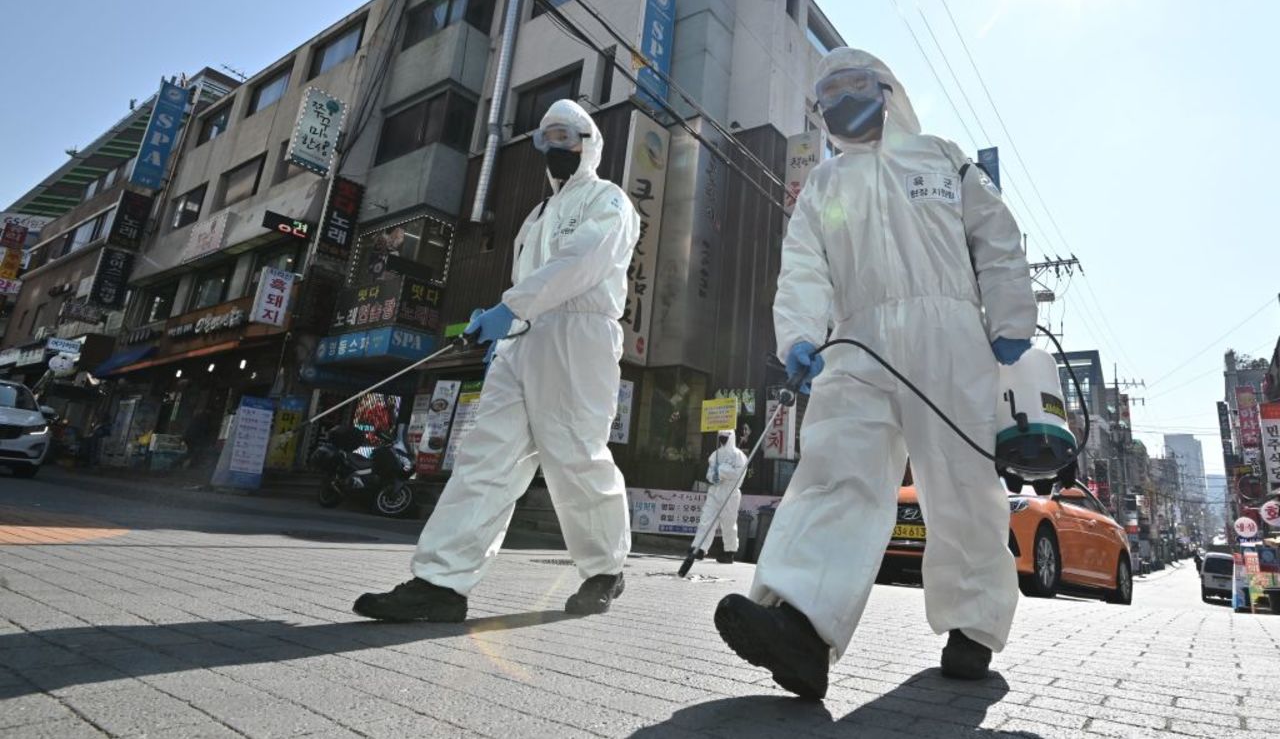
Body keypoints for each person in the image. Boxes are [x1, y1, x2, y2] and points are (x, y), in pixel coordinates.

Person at [714, 48, 1036, 699]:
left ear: (885, 89)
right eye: (827, 96)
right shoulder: (828, 188)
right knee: (836, 466)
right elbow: (806, 263)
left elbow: (994, 232)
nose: (839, 103)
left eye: (852, 88)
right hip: (857, 339)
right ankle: (802, 626)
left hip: (949, 333)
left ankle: (974, 625)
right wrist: (802, 335)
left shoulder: (940, 156)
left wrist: (1010, 315)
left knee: (960, 481)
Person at [355, 99, 641, 622]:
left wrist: (511, 308)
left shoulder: (610, 200)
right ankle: (441, 582)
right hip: (523, 338)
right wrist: (505, 326)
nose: (556, 148)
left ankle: (604, 569)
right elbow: (525, 280)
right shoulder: (535, 216)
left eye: (566, 137)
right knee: (485, 457)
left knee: (575, 454)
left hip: (578, 339)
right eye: (547, 138)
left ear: (588, 142)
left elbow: (582, 262)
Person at [690, 429, 749, 564]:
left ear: (732, 437)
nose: (723, 439)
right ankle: (698, 548)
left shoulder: (738, 456)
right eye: (721, 436)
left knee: (728, 523)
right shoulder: (715, 455)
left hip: (730, 492)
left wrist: (721, 470)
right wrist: (713, 477)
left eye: (726, 436)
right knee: (706, 519)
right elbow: (709, 473)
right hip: (715, 491)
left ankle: (729, 551)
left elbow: (738, 474)